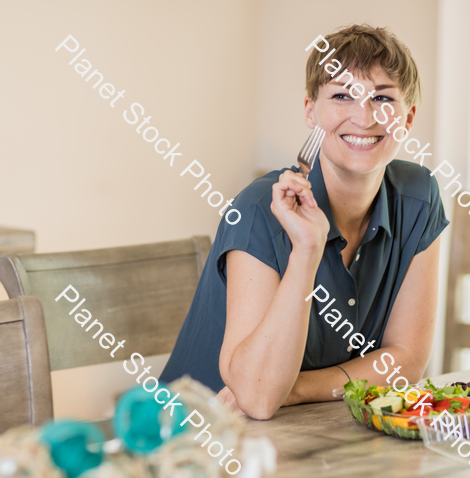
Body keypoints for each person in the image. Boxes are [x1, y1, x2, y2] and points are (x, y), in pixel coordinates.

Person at [160, 24, 448, 420]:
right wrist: (307, 250)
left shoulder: (419, 197)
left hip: (312, 428)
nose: (363, 117)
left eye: (382, 97)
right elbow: (258, 400)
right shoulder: (258, 209)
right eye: (342, 95)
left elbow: (405, 361)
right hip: (202, 440)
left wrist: (295, 390)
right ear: (311, 111)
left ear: (408, 117)